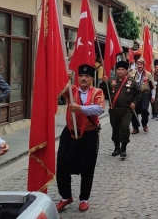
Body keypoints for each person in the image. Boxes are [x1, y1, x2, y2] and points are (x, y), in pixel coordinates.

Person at [55, 64, 105, 212]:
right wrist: (65, 79)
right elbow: (58, 89)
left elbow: (100, 108)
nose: (83, 78)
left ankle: (84, 199)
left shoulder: (97, 92)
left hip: (89, 135)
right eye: (81, 76)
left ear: (91, 79)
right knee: (62, 165)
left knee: (87, 167)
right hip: (69, 133)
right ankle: (65, 197)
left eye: (87, 76)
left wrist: (81, 108)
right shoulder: (72, 90)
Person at [99, 61, 140, 159]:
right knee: (115, 128)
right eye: (118, 69)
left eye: (122, 70)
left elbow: (138, 94)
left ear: (126, 71)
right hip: (114, 110)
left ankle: (124, 148)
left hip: (126, 110)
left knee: (124, 127)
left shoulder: (131, 82)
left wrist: (134, 103)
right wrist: (104, 83)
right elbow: (103, 91)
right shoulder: (111, 81)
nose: (120, 71)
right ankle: (117, 147)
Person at [128, 57, 155, 133]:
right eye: (138, 64)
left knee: (144, 110)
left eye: (141, 64)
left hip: (145, 94)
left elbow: (152, 86)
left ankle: (144, 124)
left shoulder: (148, 74)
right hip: (135, 95)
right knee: (134, 111)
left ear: (143, 65)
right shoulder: (132, 74)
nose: (139, 66)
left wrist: (153, 96)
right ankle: (135, 127)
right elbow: (128, 84)